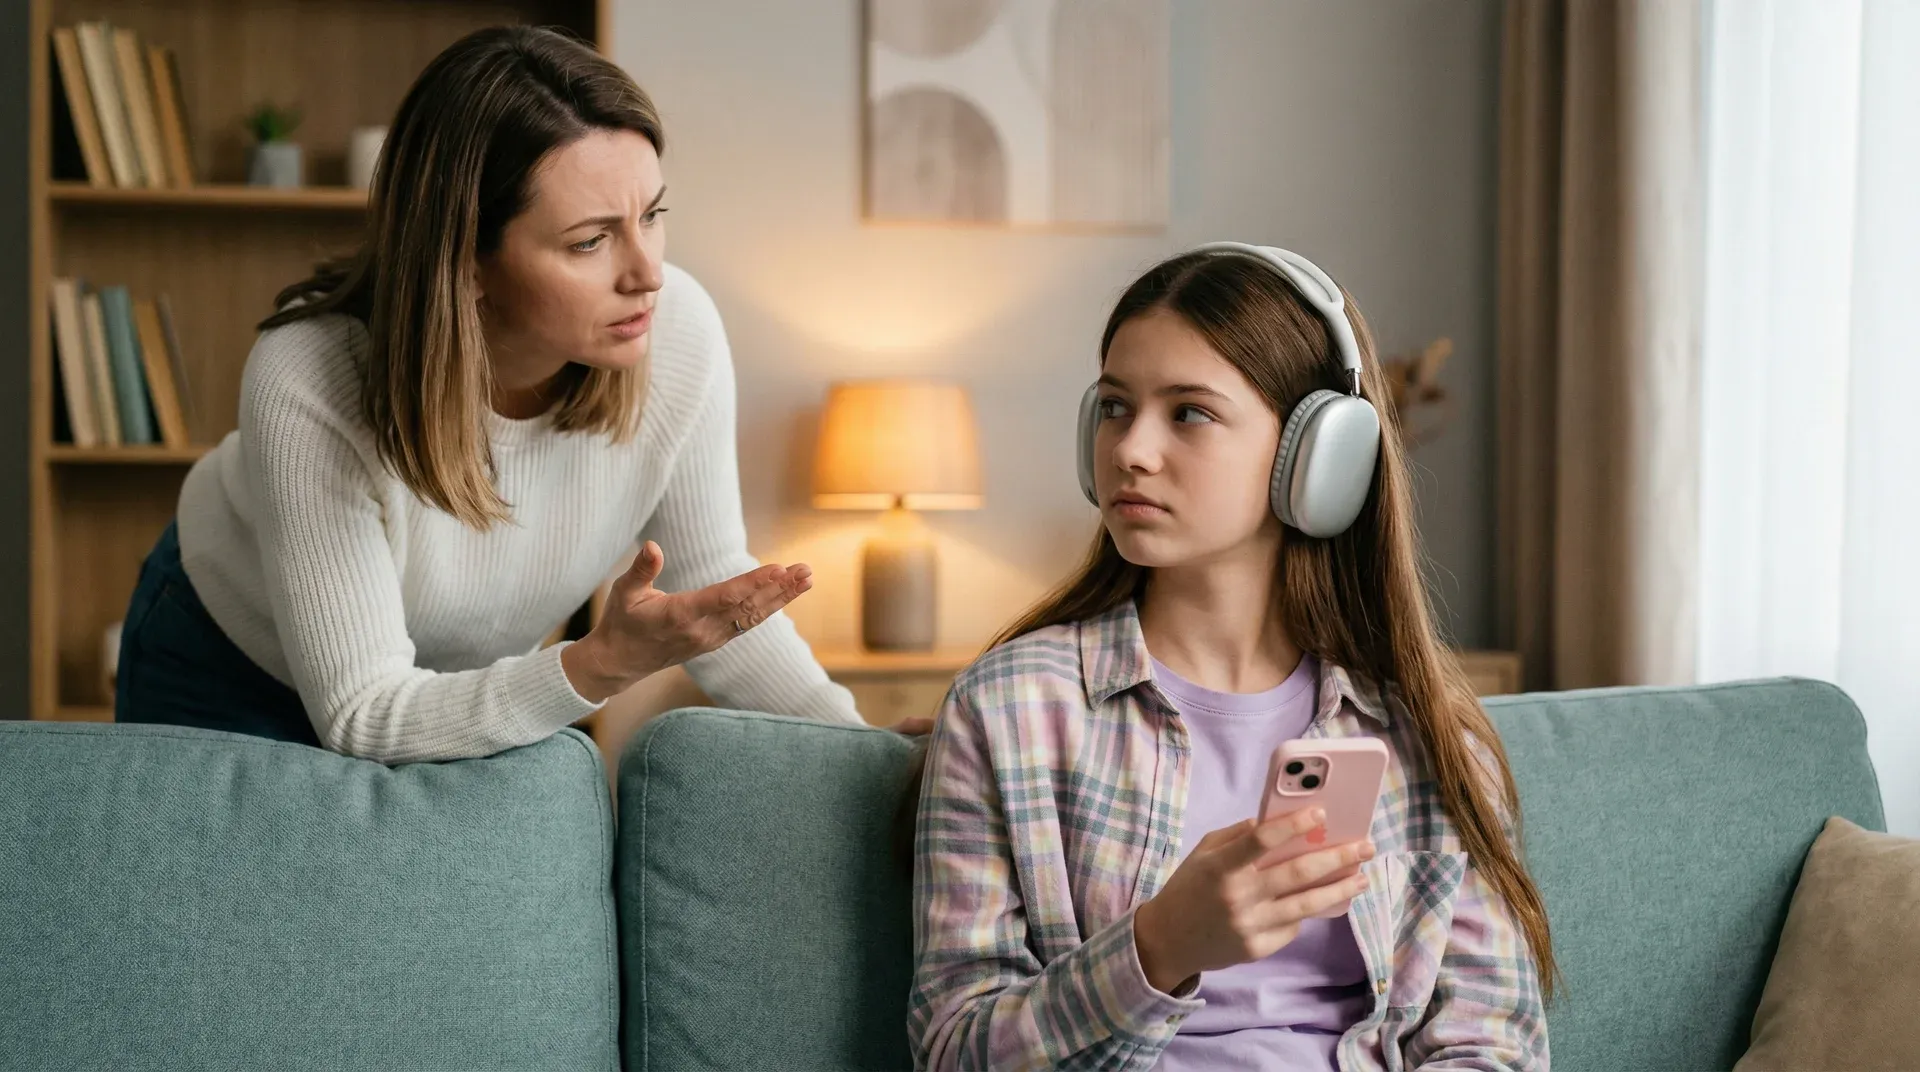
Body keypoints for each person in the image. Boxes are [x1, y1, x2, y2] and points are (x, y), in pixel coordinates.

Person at [114, 26, 871, 763]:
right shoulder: (308, 379)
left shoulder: (679, 332)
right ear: (468, 261)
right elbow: (364, 714)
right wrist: (600, 663)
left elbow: (707, 577)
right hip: (226, 664)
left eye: (652, 216)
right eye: (590, 240)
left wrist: (870, 755)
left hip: (437, 687)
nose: (647, 273)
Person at [908, 244, 1555, 1069]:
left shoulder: (1425, 739)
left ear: (1318, 456)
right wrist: (1159, 946)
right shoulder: (1011, 711)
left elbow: (1491, 1044)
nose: (1131, 450)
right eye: (1114, 407)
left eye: (1189, 413)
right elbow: (952, 1050)